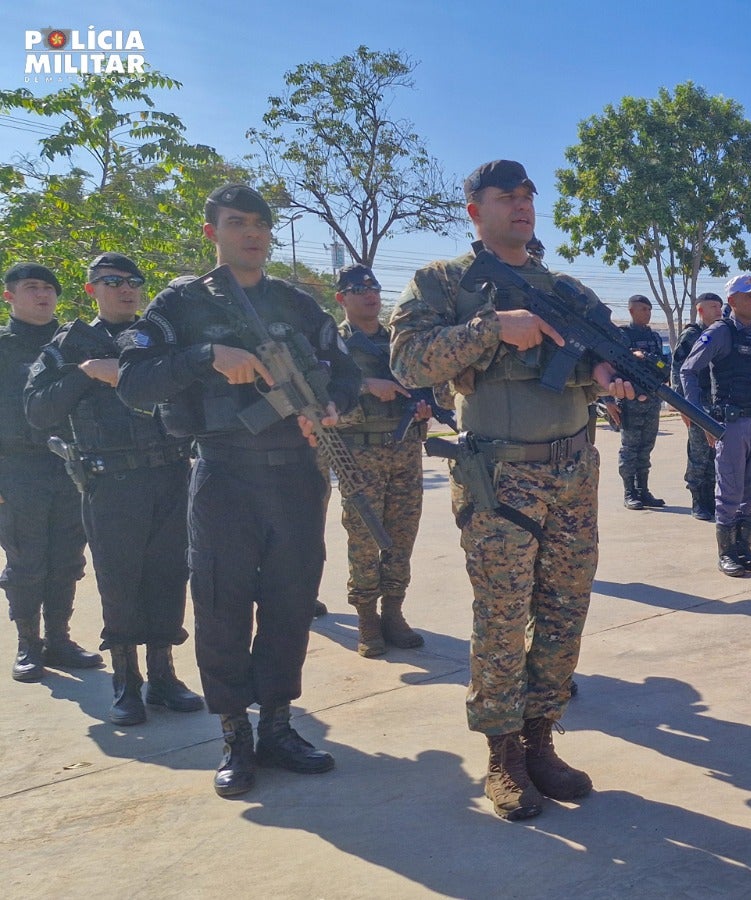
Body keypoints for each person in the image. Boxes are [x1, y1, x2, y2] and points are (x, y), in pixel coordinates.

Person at [389, 160, 634, 821]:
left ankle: (539, 738)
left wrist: (607, 375)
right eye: (507, 196)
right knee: (501, 617)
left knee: (563, 610)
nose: (523, 205)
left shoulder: (566, 289)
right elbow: (409, 361)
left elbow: (583, 369)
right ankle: (501, 753)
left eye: (529, 196)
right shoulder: (443, 282)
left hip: (574, 472)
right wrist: (490, 327)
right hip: (499, 475)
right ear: (475, 210)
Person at [118, 183, 361, 797]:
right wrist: (207, 354)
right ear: (213, 232)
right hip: (224, 472)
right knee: (223, 603)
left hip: (297, 474)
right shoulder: (181, 304)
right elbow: (134, 384)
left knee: (290, 600)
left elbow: (347, 371)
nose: (251, 233)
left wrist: (329, 405)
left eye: (259, 223)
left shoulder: (297, 303)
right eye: (235, 223)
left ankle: (277, 724)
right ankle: (235, 733)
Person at [23, 252, 201, 722]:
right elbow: (37, 411)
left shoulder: (158, 336)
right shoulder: (70, 343)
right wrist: (84, 373)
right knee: (119, 581)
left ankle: (163, 676)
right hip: (110, 481)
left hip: (168, 473)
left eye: (134, 280)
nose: (126, 288)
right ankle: (127, 681)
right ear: (91, 289)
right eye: (112, 281)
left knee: (168, 575)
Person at [2, 263, 98, 683]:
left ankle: (59, 639)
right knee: (26, 561)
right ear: (10, 296)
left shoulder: (75, 344)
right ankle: (29, 643)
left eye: (48, 288)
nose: (42, 295)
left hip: (71, 466)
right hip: (17, 467)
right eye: (31, 287)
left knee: (67, 558)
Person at [329, 264, 428, 659]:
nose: (369, 295)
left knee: (403, 534)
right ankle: (367, 617)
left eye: (374, 287)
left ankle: (394, 613)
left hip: (404, 447)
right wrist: (366, 386)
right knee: (364, 537)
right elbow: (321, 397)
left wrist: (424, 406)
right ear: (341, 298)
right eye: (357, 289)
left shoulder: (399, 340)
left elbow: (427, 380)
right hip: (359, 453)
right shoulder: (332, 344)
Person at [681, 274, 751, 577]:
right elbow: (688, 371)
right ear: (732, 301)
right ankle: (726, 553)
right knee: (730, 490)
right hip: (732, 423)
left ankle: (744, 548)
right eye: (748, 296)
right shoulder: (720, 332)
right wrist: (701, 418)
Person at [675, 292, 724, 520]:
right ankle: (697, 501)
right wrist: (684, 405)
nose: (718, 310)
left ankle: (711, 500)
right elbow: (678, 369)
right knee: (699, 453)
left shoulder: (722, 332)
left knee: (716, 453)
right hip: (697, 401)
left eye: (720, 306)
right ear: (700, 310)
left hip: (717, 401)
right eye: (713, 306)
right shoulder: (692, 334)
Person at [617, 295, 667, 509]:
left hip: (652, 400)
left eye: (649, 309)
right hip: (630, 401)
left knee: (646, 448)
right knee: (630, 448)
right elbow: (612, 365)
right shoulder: (622, 336)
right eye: (643, 309)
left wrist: (649, 359)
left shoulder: (655, 337)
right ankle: (629, 492)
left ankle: (643, 490)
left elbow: (664, 366)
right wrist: (610, 400)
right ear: (631, 311)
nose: (647, 313)